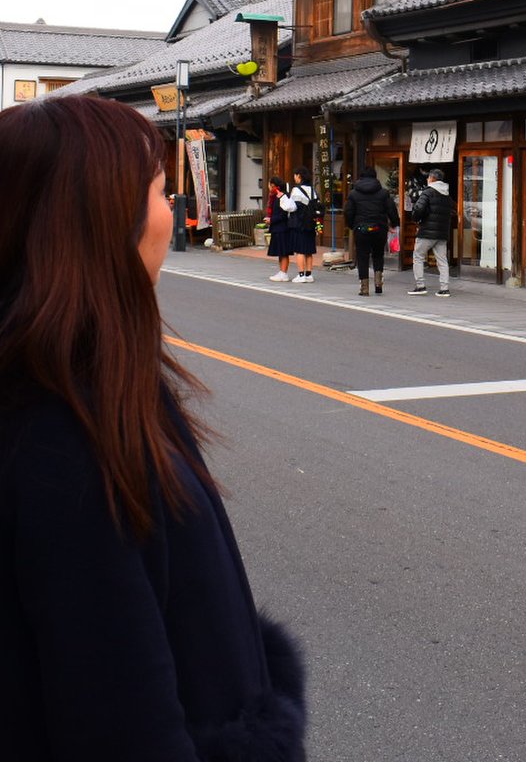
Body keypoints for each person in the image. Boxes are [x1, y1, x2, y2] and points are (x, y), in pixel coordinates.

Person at [0, 95, 306, 761]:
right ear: (105, 222)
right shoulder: (72, 429)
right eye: (164, 193)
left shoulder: (71, 388)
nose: (173, 214)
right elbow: (118, 708)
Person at [343, 166, 400, 297]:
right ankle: (378, 284)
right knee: (378, 255)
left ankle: (364, 288)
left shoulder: (353, 193)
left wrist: (352, 225)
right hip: (379, 228)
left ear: (361, 177)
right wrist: (395, 223)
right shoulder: (383, 193)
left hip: (361, 229)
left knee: (362, 257)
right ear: (375, 177)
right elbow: (391, 209)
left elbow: (348, 212)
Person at [408, 167, 454, 297]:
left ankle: (420, 285)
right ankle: (444, 288)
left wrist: (416, 219)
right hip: (442, 233)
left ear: (432, 179)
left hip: (427, 231)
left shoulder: (427, 192)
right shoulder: (446, 194)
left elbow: (418, 208)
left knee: (418, 256)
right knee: (442, 260)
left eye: (429, 177)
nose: (427, 179)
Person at [281, 166, 319, 284]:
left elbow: (292, 207)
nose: (294, 177)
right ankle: (309, 274)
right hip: (311, 223)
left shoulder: (296, 190)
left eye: (295, 175)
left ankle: (301, 274)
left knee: (300, 250)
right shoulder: (313, 190)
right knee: (308, 250)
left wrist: (284, 199)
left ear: (299, 176)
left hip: (299, 223)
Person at [265, 174, 293, 282]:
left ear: (273, 185)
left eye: (269, 184)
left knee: (284, 252)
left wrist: (271, 220)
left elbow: (283, 215)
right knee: (281, 251)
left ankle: (284, 273)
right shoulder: (275, 196)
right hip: (278, 228)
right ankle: (281, 272)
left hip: (283, 228)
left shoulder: (281, 196)